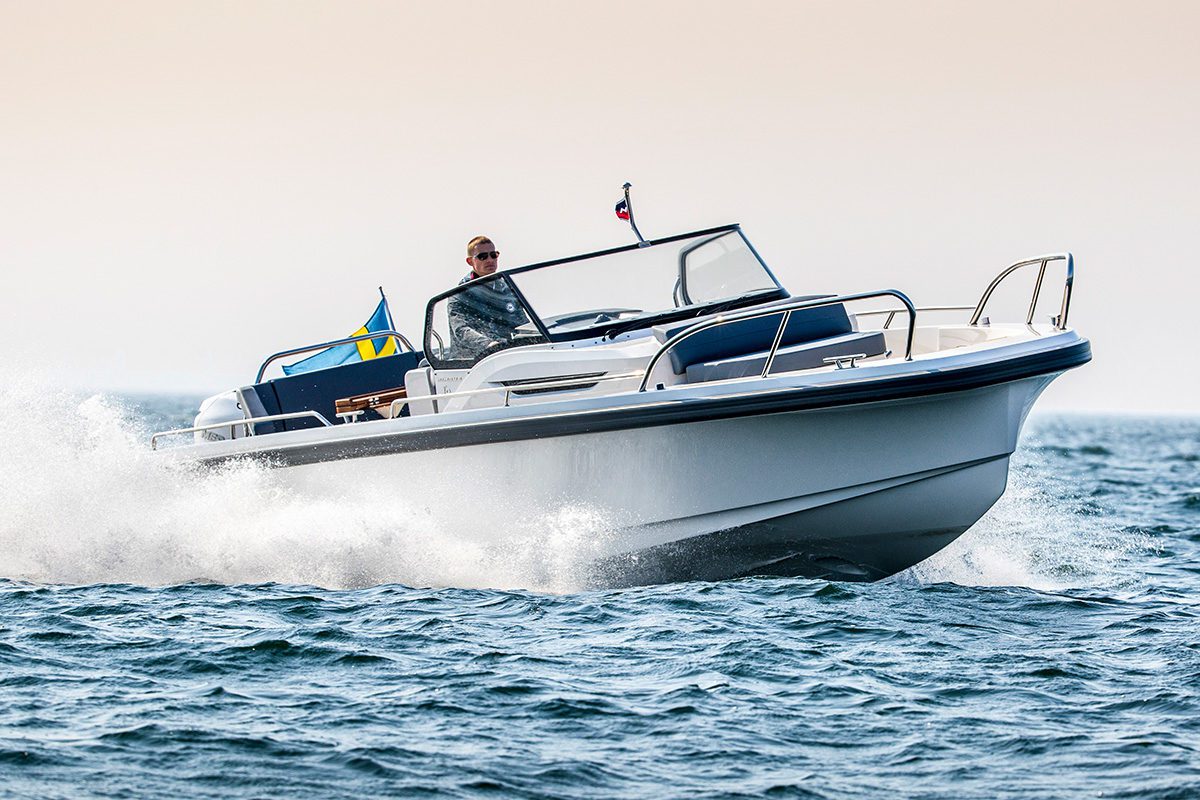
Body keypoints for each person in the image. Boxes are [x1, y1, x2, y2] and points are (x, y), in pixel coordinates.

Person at [447, 236, 530, 359]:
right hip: (473, 362)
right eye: (482, 256)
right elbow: (461, 330)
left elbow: (522, 324)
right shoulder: (460, 294)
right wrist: (489, 345)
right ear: (470, 261)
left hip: (508, 355)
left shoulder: (507, 290)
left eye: (493, 255)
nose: (490, 260)